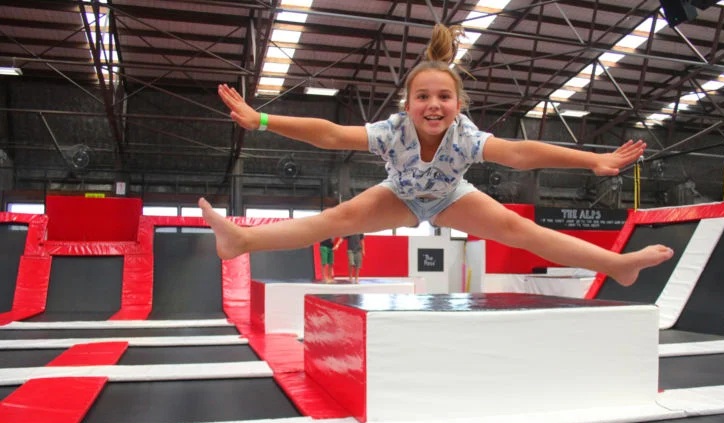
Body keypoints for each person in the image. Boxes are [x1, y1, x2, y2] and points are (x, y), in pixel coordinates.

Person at [200, 24, 673, 287]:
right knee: (335, 219)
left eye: (444, 97)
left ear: (458, 105)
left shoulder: (465, 136)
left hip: (451, 196)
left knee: (521, 230)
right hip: (400, 195)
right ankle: (241, 241)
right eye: (422, 97)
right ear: (407, 105)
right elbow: (328, 134)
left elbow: (519, 154)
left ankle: (618, 265)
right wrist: (261, 120)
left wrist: (591, 161)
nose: (433, 105)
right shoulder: (392, 132)